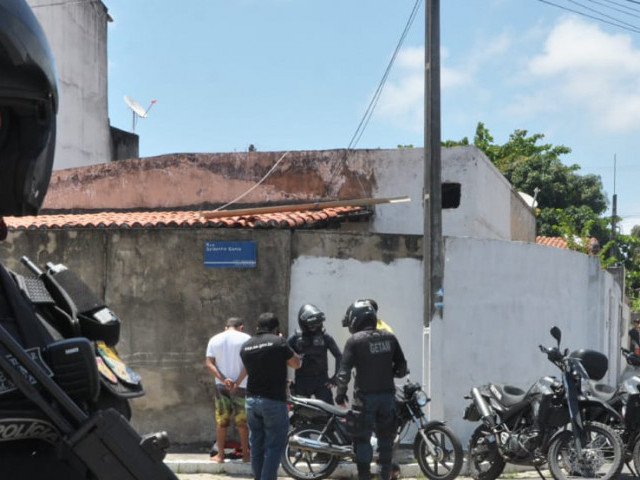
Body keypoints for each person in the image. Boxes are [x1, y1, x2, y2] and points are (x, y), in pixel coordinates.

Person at [335, 300, 408, 480]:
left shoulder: (354, 341)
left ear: (355, 319)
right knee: (386, 441)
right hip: (387, 397)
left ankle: (364, 476)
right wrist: (387, 372)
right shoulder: (390, 338)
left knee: (362, 441)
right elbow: (402, 368)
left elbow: (343, 374)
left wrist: (340, 394)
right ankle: (384, 476)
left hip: (364, 398)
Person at [240, 312, 301, 480]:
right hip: (273, 401)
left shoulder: (246, 346)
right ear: (275, 329)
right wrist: (283, 342)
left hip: (251, 400)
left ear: (257, 327)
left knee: (256, 445)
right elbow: (296, 363)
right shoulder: (278, 342)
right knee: (274, 446)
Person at [205, 317, 251, 463]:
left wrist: (224, 379)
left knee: (222, 421)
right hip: (242, 386)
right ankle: (246, 455)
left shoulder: (214, 339)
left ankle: (220, 455)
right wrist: (237, 381)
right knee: (243, 423)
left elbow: (209, 363)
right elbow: (249, 364)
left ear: (226, 327)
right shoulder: (247, 339)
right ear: (241, 327)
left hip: (221, 386)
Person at [288, 303, 342, 404]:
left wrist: (336, 377)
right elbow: (280, 354)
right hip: (302, 380)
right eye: (311, 326)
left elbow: (339, 356)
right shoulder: (295, 337)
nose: (314, 328)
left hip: (322, 380)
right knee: (299, 410)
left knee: (328, 411)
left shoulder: (325, 337)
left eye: (316, 325)